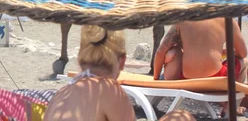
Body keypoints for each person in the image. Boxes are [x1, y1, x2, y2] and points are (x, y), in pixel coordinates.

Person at [44, 25, 196, 121]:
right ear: (122, 61)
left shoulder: (61, 94)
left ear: (80, 59)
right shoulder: (109, 89)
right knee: (182, 117)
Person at [153, 18, 247, 82]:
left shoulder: (183, 19)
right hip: (216, 77)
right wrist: (224, 52)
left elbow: (161, 51)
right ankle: (229, 105)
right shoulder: (227, 19)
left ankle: (167, 83)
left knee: (174, 51)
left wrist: (156, 78)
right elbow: (243, 53)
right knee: (244, 61)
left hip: (186, 77)